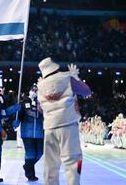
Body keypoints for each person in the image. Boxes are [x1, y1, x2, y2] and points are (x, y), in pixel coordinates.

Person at [37, 57, 91, 185]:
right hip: (68, 126)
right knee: (74, 161)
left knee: (50, 165)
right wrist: (76, 78)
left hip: (49, 129)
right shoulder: (67, 78)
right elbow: (86, 91)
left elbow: (40, 109)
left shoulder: (40, 85)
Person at [14, 84, 44, 181]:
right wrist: (16, 121)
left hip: (40, 132)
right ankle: (30, 175)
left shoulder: (42, 103)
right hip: (27, 132)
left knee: (39, 153)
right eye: (33, 90)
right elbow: (19, 116)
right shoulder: (23, 103)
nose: (35, 92)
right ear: (30, 91)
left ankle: (27, 166)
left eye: (37, 90)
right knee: (30, 154)